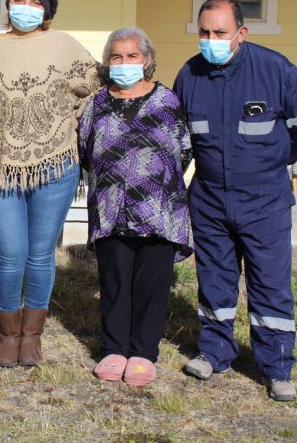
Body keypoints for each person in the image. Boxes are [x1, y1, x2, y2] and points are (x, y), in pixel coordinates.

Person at [173, 0, 297, 402]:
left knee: (269, 283)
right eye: (204, 32)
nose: (211, 40)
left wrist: (273, 164)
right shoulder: (190, 74)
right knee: (214, 279)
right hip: (210, 198)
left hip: (264, 200)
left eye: (220, 33)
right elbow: (183, 139)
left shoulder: (275, 70)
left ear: (241, 33)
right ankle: (214, 351)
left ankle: (276, 366)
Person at [0, 0, 98, 368]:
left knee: (41, 254)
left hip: (55, 166)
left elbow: (95, 90)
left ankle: (32, 336)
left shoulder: (63, 45)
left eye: (33, 1)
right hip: (1, 169)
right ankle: (8, 334)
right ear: (7, 5)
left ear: (46, 10)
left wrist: (75, 129)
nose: (24, 7)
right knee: (10, 254)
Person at [78, 26, 193, 387]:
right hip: (111, 208)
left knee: (151, 284)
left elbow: (184, 149)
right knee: (114, 280)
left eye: (132, 56)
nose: (124, 63)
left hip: (159, 209)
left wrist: (150, 181)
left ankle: (143, 352)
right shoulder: (96, 103)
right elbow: (85, 148)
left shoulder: (168, 101)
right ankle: (114, 348)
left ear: (147, 61)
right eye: (116, 56)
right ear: (108, 62)